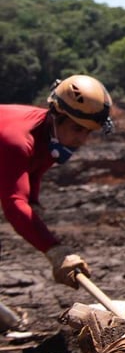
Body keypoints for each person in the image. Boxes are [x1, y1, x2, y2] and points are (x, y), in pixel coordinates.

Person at [1, 76, 114, 303]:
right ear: (57, 116)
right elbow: (14, 203)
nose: (81, 140)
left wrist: (33, 202)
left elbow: (35, 167)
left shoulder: (50, 135)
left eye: (88, 132)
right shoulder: (17, 141)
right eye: (77, 129)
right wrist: (54, 251)